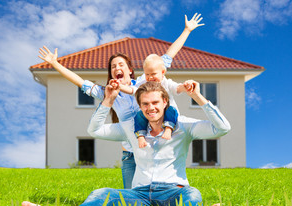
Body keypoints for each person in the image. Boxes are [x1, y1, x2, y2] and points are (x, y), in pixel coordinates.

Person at [22, 80, 231, 206]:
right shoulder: (131, 126)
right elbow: (93, 130)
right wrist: (108, 101)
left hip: (173, 191)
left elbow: (223, 128)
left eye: (155, 102)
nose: (151, 108)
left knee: (192, 193)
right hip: (139, 193)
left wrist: (197, 96)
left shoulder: (183, 125)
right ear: (140, 106)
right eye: (145, 104)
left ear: (165, 102)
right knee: (103, 193)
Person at [37, 13, 204, 189]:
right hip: (131, 154)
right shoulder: (108, 93)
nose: (117, 68)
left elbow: (167, 56)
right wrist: (55, 64)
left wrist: (187, 30)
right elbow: (80, 82)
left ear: (130, 69)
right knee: (131, 201)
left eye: (121, 65)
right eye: (113, 66)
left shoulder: (143, 82)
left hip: (156, 146)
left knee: (163, 195)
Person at [111, 54, 195, 148]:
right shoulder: (144, 84)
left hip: (167, 113)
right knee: (139, 115)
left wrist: (185, 86)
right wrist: (120, 86)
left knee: (171, 109)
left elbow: (176, 88)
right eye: (147, 74)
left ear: (162, 72)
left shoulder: (166, 83)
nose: (150, 77)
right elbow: (132, 90)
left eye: (153, 74)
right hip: (152, 115)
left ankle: (168, 129)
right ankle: (141, 136)